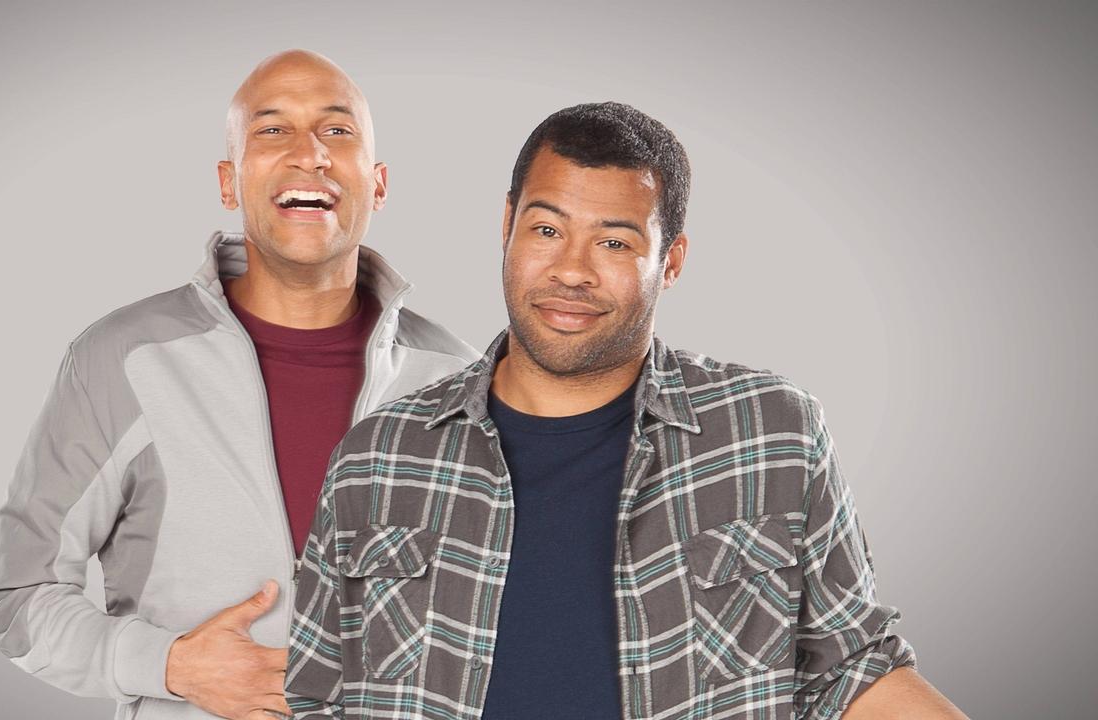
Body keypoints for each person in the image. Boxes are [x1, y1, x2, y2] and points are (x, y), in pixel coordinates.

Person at [286, 102, 967, 719]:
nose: (572, 270)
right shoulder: (377, 458)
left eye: (614, 242)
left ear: (671, 261)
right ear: (507, 226)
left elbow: (849, 671)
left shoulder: (771, 434)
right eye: (546, 229)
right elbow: (315, 696)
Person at [0, 49, 477, 720]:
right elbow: (13, 597)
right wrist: (169, 665)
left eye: (337, 130)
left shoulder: (458, 383)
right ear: (229, 182)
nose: (309, 154)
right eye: (272, 130)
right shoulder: (122, 361)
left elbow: (505, 612)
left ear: (378, 184)